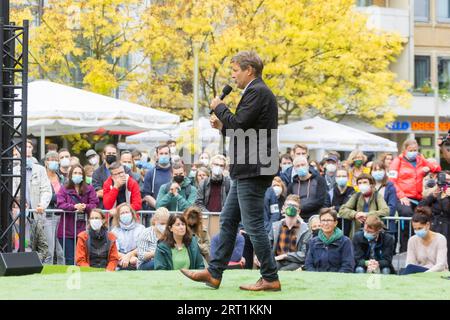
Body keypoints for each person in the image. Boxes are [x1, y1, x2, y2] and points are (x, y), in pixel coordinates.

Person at [181, 51, 281, 291]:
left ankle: (269, 277)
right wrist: (223, 125)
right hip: (249, 168)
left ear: (250, 70)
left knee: (254, 224)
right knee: (228, 220)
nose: (233, 75)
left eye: (236, 70)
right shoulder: (255, 92)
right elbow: (243, 131)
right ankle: (214, 273)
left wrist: (221, 108)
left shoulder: (258, 91)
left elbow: (240, 124)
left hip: (253, 169)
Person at [388, 139, 441, 252]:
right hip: (402, 197)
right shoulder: (397, 161)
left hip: (417, 197)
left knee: (423, 217)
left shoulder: (420, 159)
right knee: (407, 215)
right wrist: (402, 196)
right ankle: (404, 249)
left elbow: (437, 168)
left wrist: (429, 167)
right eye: (410, 150)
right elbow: (392, 181)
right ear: (405, 150)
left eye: (415, 150)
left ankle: (421, 248)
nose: (413, 152)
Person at [13, 141, 52, 261]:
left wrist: (43, 204)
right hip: (20, 216)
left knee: (44, 246)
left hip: (37, 213)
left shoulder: (40, 170)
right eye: (25, 147)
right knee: (22, 244)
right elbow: (12, 192)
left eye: (30, 147)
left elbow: (46, 189)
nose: (27, 149)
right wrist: (18, 202)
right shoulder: (14, 171)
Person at [56, 164, 99, 265]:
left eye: (80, 173)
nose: (77, 175)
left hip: (84, 229)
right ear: (70, 175)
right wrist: (74, 207)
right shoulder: (64, 189)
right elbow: (60, 204)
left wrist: (85, 207)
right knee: (70, 259)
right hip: (66, 230)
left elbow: (94, 204)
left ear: (83, 176)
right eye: (75, 173)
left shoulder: (90, 189)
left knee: (83, 258)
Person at [268, 194, 312, 271]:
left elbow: (304, 254)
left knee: (283, 271)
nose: (291, 207)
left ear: (298, 211)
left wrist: (285, 256)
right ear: (283, 208)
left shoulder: (306, 230)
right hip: (277, 260)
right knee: (271, 269)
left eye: (294, 206)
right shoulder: (275, 227)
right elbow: (268, 246)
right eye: (288, 205)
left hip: (295, 262)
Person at [305, 208, 355, 273]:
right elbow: (308, 264)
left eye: (329, 220)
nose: (325, 223)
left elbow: (348, 265)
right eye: (323, 220)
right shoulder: (313, 242)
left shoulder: (345, 241)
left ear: (335, 223)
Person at [401, 206, 448, 274]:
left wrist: (424, 275)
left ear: (428, 225)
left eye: (420, 228)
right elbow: (410, 262)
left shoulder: (440, 239)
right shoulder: (412, 240)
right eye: (415, 229)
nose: (417, 231)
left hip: (438, 273)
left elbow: (441, 265)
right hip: (420, 272)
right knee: (409, 268)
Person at [419, 171, 450, 266]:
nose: (446, 182)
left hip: (447, 230)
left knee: (447, 256)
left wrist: (448, 197)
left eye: (449, 180)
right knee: (432, 257)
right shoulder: (435, 193)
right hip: (434, 228)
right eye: (445, 180)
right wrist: (432, 196)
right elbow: (420, 208)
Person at [287, 156, 329, 221]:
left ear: (308, 166)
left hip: (316, 217)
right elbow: (289, 202)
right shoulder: (292, 185)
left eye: (303, 165)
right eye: (297, 166)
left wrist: (300, 207)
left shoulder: (319, 180)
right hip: (297, 218)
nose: (300, 167)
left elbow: (320, 201)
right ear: (294, 169)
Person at [11, 199, 50, 264]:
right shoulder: (8, 226)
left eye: (25, 207)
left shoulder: (35, 225)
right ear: (12, 210)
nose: (23, 209)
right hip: (12, 261)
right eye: (18, 207)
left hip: (30, 261)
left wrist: (35, 260)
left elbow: (44, 248)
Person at [43, 151, 65, 264]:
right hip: (47, 216)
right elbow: (43, 196)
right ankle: (46, 275)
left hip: (61, 216)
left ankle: (62, 275)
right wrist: (58, 198)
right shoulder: (42, 177)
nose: (54, 162)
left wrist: (58, 198)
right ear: (46, 162)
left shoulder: (61, 178)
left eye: (56, 160)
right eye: (51, 159)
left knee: (61, 251)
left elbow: (66, 195)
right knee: (50, 251)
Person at [110, 203, 145, 270]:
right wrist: (125, 257)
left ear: (132, 214)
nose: (125, 214)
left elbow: (142, 247)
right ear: (118, 216)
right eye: (122, 213)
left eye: (127, 212)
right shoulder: (114, 231)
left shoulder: (141, 228)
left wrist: (130, 255)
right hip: (120, 258)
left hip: (136, 257)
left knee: (134, 260)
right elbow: (114, 250)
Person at [370, 161, 398, 241]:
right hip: (370, 226)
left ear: (385, 171)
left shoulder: (390, 186)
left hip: (387, 226)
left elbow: (392, 208)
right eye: (375, 170)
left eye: (380, 170)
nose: (377, 172)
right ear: (371, 172)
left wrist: (374, 214)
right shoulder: (367, 186)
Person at [142, 144, 173, 210]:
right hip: (155, 212)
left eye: (166, 153)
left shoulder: (175, 172)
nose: (164, 156)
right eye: (161, 153)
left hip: (173, 213)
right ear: (157, 156)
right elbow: (146, 195)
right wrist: (158, 206)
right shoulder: (150, 173)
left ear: (170, 155)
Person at [329, 166, 354, 236]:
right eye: (339, 176)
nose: (341, 178)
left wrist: (334, 208)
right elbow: (327, 208)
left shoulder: (352, 192)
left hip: (348, 227)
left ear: (348, 178)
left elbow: (348, 207)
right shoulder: (330, 193)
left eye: (343, 176)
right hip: (333, 226)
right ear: (335, 178)